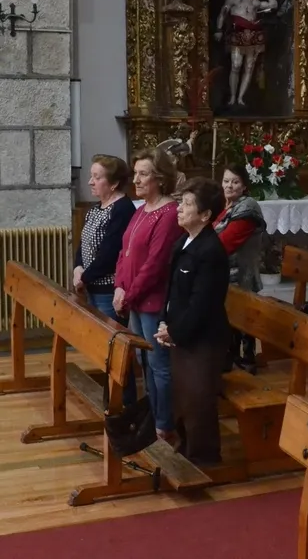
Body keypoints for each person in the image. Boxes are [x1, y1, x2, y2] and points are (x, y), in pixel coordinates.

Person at [156, 178, 230, 465]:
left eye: (187, 204)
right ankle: (186, 447)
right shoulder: (183, 243)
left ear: (206, 215)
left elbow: (203, 304)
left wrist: (175, 331)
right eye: (181, 202)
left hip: (204, 339)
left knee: (199, 400)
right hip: (181, 334)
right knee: (183, 396)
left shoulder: (210, 251)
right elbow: (172, 290)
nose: (180, 209)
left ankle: (205, 459)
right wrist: (165, 321)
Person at [114, 148, 182, 439]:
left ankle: (164, 425)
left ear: (160, 179)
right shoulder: (141, 210)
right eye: (136, 173)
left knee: (159, 366)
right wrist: (119, 285)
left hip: (152, 302)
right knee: (145, 363)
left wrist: (127, 296)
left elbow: (154, 265)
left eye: (143, 174)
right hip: (135, 299)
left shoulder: (167, 214)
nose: (136, 180)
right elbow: (124, 251)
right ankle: (152, 416)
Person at [213, 164, 266, 370]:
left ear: (244, 186)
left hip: (241, 272)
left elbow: (225, 243)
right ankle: (230, 357)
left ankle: (247, 360)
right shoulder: (224, 205)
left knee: (243, 319)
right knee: (229, 319)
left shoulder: (248, 207)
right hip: (225, 273)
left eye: (235, 182)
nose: (229, 186)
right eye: (226, 181)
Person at [74, 155, 136, 321]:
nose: (90, 182)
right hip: (91, 285)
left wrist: (84, 278)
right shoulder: (96, 209)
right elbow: (84, 243)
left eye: (97, 177)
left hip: (108, 289)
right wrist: (78, 267)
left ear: (114, 184)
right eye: (91, 176)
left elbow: (110, 254)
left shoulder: (122, 209)